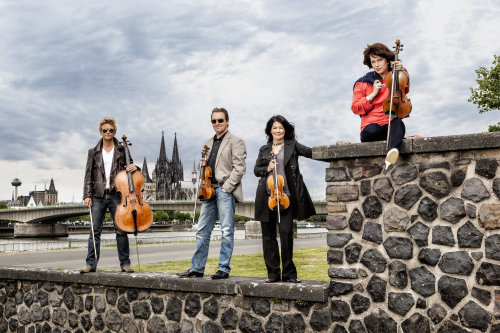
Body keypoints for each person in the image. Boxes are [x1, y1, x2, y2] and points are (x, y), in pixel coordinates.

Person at [178, 108, 247, 279]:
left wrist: (227, 187)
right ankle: (197, 268)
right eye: (214, 121)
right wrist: (203, 164)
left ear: (227, 121)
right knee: (202, 230)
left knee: (226, 230)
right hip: (208, 191)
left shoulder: (236, 141)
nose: (217, 123)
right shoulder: (207, 143)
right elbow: (208, 169)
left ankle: (223, 268)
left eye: (220, 120)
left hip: (224, 189)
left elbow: (240, 168)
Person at [253, 115, 316, 283]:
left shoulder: (292, 146)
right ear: (270, 131)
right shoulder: (264, 149)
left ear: (285, 130)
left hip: (286, 197)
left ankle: (289, 274)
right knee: (268, 237)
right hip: (267, 196)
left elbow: (310, 152)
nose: (278, 130)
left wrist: (334, 153)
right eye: (274, 128)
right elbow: (256, 169)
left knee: (286, 233)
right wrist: (267, 168)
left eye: (280, 127)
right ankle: (273, 273)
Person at [80, 117, 137, 274]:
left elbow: (131, 169)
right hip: (97, 195)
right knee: (94, 231)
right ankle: (91, 263)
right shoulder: (93, 152)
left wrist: (135, 166)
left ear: (114, 132)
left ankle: (125, 264)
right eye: (105, 130)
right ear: (100, 132)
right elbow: (88, 175)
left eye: (110, 130)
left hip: (117, 195)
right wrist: (87, 195)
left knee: (121, 230)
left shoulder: (122, 149)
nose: (107, 132)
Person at [351, 42, 410, 169]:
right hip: (371, 128)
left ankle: (391, 153)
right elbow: (356, 108)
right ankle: (395, 140)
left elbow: (404, 90)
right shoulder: (362, 82)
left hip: (389, 123)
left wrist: (401, 71)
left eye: (380, 60)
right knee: (372, 129)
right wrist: (372, 94)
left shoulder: (396, 75)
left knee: (398, 123)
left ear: (387, 60)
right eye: (373, 62)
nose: (377, 65)